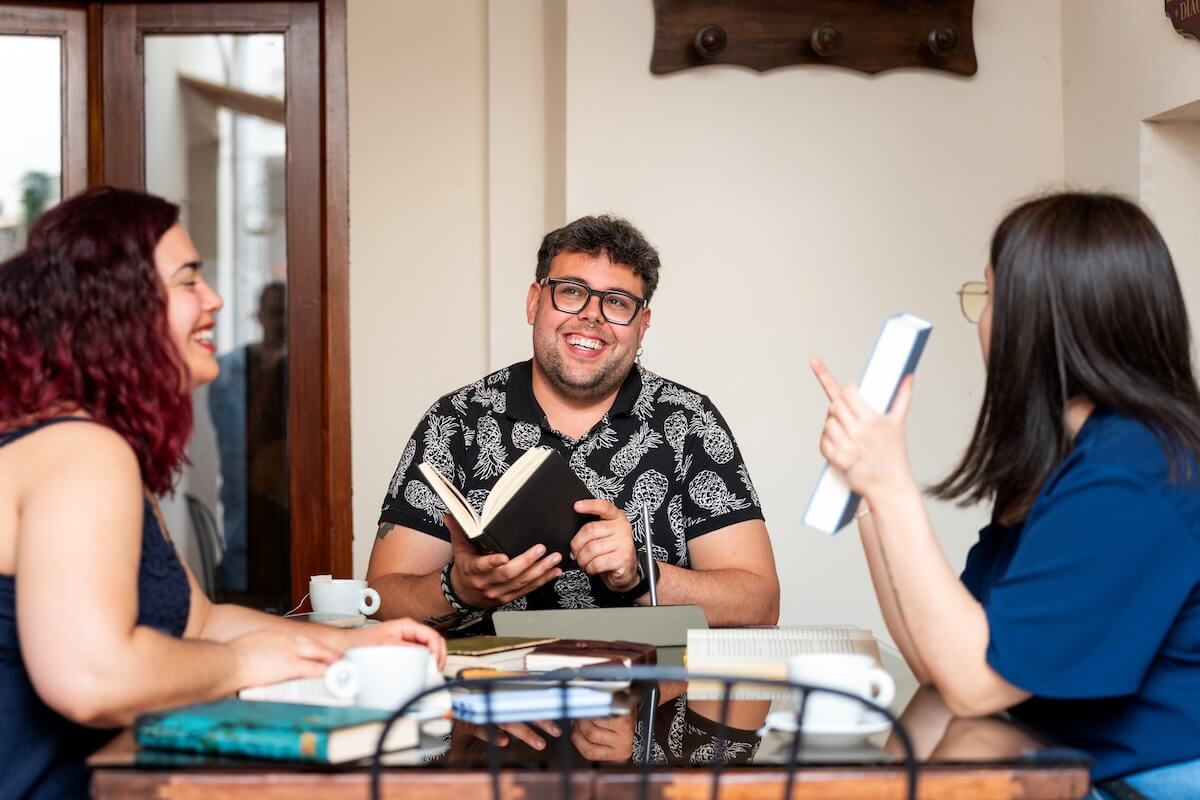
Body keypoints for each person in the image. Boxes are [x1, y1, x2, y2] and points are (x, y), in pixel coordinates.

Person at [0, 187, 446, 799]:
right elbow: (92, 677)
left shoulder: (92, 446)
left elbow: (200, 621)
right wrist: (246, 665)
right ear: (114, 304)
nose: (215, 299)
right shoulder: (82, 451)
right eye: (189, 282)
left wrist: (348, 644)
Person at [811, 191, 1200, 797]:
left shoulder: (1131, 475)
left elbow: (974, 682)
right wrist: (870, 499)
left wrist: (892, 488)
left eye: (989, 294)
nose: (982, 317)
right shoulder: (1067, 464)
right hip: (1048, 763)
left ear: (1039, 317)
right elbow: (936, 659)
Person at [368, 215, 779, 632]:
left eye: (617, 301)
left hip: (650, 691)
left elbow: (759, 602)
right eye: (571, 292)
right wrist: (459, 588)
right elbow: (381, 597)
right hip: (486, 689)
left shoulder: (690, 422)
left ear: (643, 326)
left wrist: (639, 574)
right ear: (534, 302)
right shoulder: (455, 421)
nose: (592, 316)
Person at [208, 280, 290, 606]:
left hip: (285, 487)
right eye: (275, 313)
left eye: (287, 314)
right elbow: (227, 432)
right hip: (243, 482)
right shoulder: (232, 369)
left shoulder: (302, 366)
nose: (282, 322)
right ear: (259, 316)